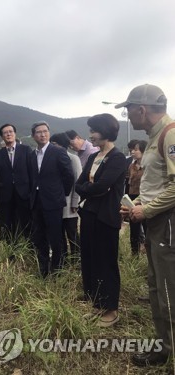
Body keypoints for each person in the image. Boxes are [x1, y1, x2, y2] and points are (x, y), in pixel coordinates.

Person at [117, 84, 175, 367]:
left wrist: (147, 209)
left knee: (167, 288)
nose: (127, 116)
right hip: (156, 220)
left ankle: (168, 352)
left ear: (141, 109)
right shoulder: (155, 137)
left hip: (167, 222)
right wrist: (138, 204)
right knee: (156, 284)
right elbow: (159, 183)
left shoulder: (170, 134)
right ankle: (164, 345)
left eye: (128, 109)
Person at [75, 114, 125, 328]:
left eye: (94, 131)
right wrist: (90, 189)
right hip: (88, 214)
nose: (91, 136)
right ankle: (97, 304)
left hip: (106, 216)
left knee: (106, 262)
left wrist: (90, 189)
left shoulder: (117, 157)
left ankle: (111, 309)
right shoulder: (95, 156)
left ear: (105, 131)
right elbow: (79, 184)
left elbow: (102, 186)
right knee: (90, 260)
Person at [29, 121, 74, 277]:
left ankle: (57, 270)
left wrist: (62, 193)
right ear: (33, 135)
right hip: (36, 201)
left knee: (56, 238)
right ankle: (43, 270)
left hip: (53, 201)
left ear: (48, 133)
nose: (42, 134)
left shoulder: (58, 151)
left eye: (45, 131)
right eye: (39, 132)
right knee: (39, 236)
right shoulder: (32, 154)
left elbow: (69, 175)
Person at [49, 132, 82, 259]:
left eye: (54, 144)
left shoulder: (73, 158)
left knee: (72, 233)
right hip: (56, 204)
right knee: (59, 234)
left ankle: (76, 258)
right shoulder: (52, 158)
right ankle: (63, 258)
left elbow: (77, 182)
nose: (52, 146)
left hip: (69, 206)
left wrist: (75, 203)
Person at [128, 140, 147, 255]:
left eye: (136, 150)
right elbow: (128, 182)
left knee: (146, 227)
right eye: (132, 150)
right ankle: (134, 254)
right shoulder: (131, 165)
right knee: (133, 228)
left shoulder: (148, 166)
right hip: (132, 198)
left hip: (144, 198)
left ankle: (148, 251)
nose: (133, 152)